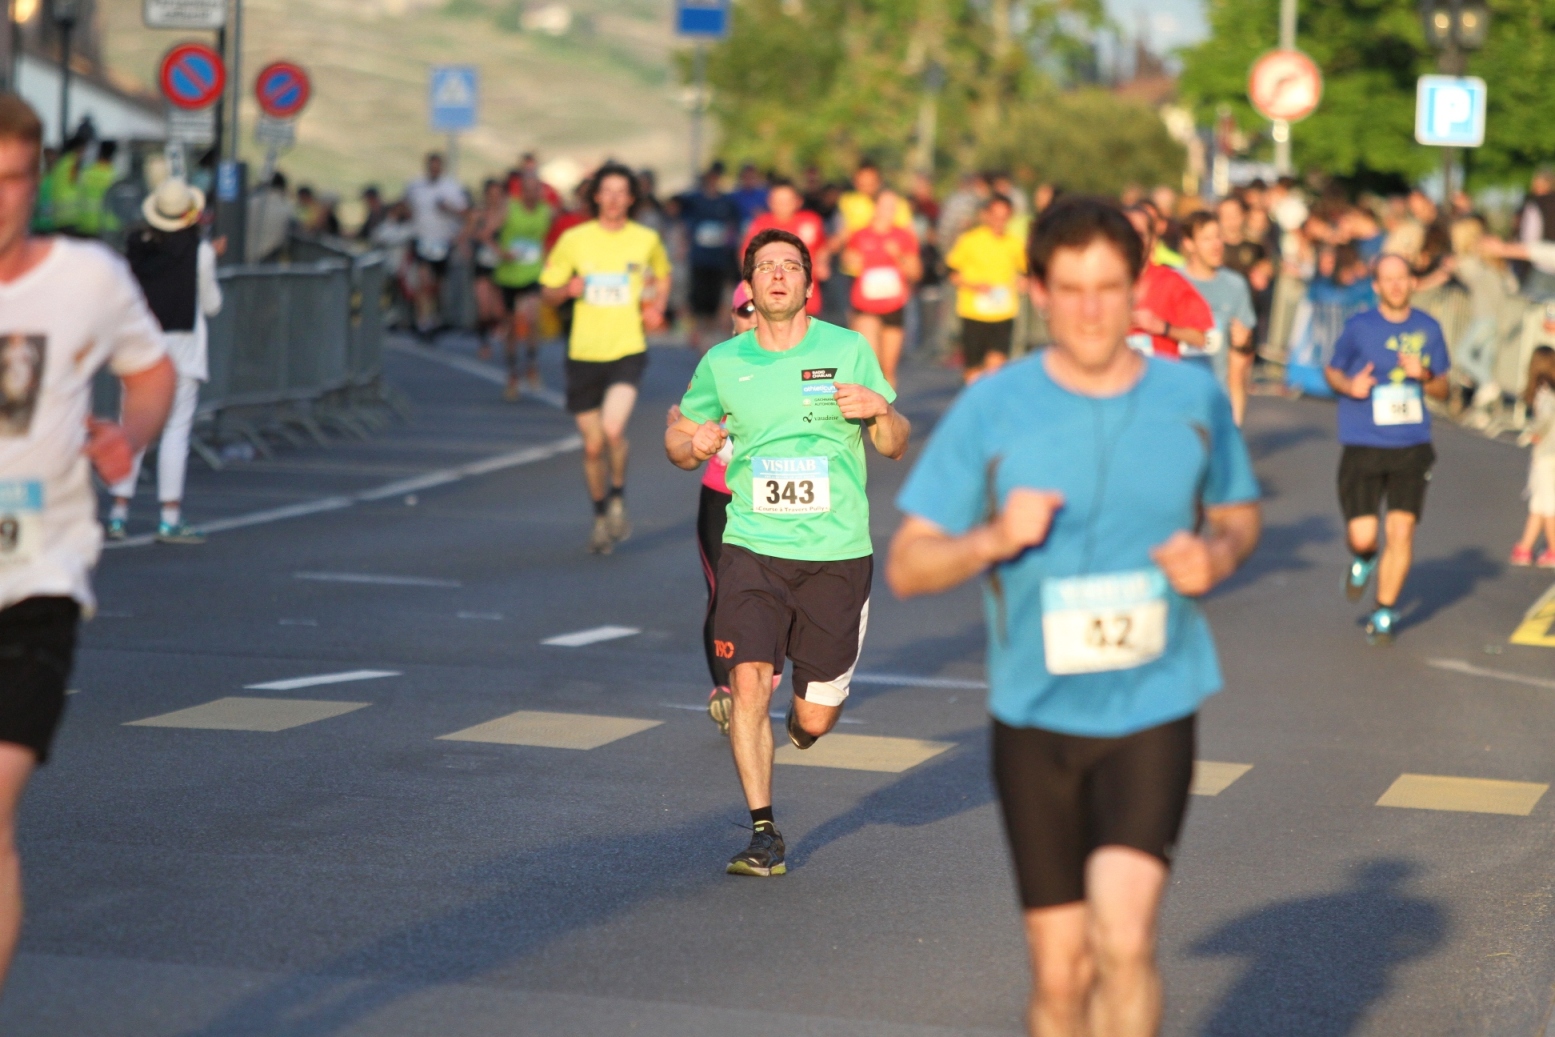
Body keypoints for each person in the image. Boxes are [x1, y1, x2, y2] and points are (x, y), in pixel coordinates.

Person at [886, 196, 1260, 1037]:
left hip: (1152, 704)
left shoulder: (1189, 398)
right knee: (1061, 972)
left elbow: (1238, 512)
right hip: (1036, 716)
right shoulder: (993, 406)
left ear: (1138, 287)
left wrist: (1218, 553)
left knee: (1125, 940)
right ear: (1038, 293)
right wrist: (992, 537)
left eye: (1108, 287)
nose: (1090, 310)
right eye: (1070, 289)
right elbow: (909, 563)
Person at [665, 228, 911, 878]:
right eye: (766, 266)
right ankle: (763, 831)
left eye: (790, 266)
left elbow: (894, 443)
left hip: (836, 553)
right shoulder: (723, 362)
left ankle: (804, 726)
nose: (777, 275)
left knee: (814, 717)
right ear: (749, 286)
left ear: (808, 282)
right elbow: (677, 437)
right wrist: (692, 444)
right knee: (748, 682)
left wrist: (879, 410)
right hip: (752, 545)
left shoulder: (847, 348)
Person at [0, 92, 177, 991]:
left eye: (12, 180)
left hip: (36, 573)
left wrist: (128, 436)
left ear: (36, 182)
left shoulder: (87, 279)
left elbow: (151, 373)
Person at [541, 162, 670, 555]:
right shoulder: (574, 239)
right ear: (596, 196)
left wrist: (656, 307)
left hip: (627, 348)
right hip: (583, 352)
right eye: (607, 191)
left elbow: (662, 273)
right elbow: (547, 290)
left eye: (621, 192)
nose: (614, 199)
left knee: (613, 430)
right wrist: (566, 290)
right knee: (593, 446)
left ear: (631, 198)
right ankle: (600, 516)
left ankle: (617, 496)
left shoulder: (645, 238)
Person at [1324, 254, 1450, 645]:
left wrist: (1423, 374)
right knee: (1364, 537)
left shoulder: (1429, 328)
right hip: (1364, 442)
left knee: (1401, 531)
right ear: (1376, 286)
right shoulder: (1360, 327)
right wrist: (1349, 386)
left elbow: (1444, 388)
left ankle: (1383, 611)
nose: (1395, 285)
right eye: (1387, 279)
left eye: (1402, 278)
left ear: (1413, 282)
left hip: (1411, 444)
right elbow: (1332, 369)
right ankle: (1364, 559)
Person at [105, 179, 224, 544]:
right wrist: (212, 260)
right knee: (175, 432)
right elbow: (212, 305)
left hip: (140, 349)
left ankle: (118, 513)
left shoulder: (136, 248)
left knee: (133, 430)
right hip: (183, 352)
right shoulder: (199, 253)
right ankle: (169, 517)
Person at [677, 284, 760, 737]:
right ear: (732, 317)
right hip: (721, 496)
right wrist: (687, 432)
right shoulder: (718, 363)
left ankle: (762, 678)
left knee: (778, 596)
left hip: (773, 502)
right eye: (744, 311)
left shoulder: (796, 363)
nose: (752, 317)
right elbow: (686, 425)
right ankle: (725, 690)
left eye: (758, 309)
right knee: (723, 592)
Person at [1180, 211, 1257, 424]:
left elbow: (1241, 360)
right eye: (1207, 239)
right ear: (1189, 244)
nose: (1216, 245)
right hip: (1177, 399)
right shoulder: (1173, 283)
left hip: (1217, 401)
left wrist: (1244, 342)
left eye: (1218, 237)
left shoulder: (1235, 285)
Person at [946, 193, 1027, 382]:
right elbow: (952, 274)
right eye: (996, 216)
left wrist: (1024, 283)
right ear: (987, 215)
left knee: (996, 368)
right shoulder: (970, 240)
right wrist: (974, 285)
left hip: (1003, 313)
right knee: (973, 370)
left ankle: (991, 399)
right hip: (974, 313)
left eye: (1004, 217)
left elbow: (1027, 272)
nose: (999, 221)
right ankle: (974, 397)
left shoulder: (1014, 243)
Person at [844, 190, 920, 387]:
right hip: (866, 305)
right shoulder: (860, 234)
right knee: (871, 363)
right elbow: (848, 262)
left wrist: (898, 256)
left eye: (893, 207)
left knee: (888, 369)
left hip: (894, 305)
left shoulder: (903, 236)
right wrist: (851, 261)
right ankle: (869, 404)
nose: (889, 211)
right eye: (885, 206)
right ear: (875, 207)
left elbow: (916, 273)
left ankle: (887, 405)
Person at [493, 168, 554, 398]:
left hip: (533, 273)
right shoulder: (509, 208)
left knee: (532, 318)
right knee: (510, 327)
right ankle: (512, 374)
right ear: (521, 191)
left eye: (536, 190)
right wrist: (502, 252)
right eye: (527, 190)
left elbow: (549, 239)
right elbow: (486, 234)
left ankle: (531, 364)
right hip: (509, 275)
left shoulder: (546, 212)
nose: (532, 194)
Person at [1122, 206, 1212, 361]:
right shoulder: (1099, 283)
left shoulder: (1172, 282)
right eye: (1126, 235)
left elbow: (1201, 339)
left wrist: (1163, 327)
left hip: (1160, 375)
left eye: (1140, 235)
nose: (1133, 241)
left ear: (1153, 240)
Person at [677, 163, 742, 353]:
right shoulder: (695, 200)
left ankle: (710, 335)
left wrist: (731, 242)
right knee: (697, 296)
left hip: (718, 258)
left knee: (715, 296)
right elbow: (681, 215)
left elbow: (734, 223)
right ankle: (697, 332)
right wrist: (684, 242)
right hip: (699, 257)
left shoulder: (726, 202)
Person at [741, 178, 827, 317]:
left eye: (787, 201)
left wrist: (823, 261)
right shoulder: (761, 224)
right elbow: (745, 256)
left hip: (806, 296)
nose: (782, 206)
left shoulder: (811, 221)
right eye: (778, 201)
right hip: (771, 296)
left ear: (798, 201)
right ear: (770, 202)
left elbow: (823, 246)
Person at [405, 152, 468, 337]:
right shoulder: (415, 186)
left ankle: (435, 316)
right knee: (423, 281)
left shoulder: (452, 188)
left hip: (442, 241)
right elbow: (407, 207)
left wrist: (449, 209)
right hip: (422, 239)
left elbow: (465, 212)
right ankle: (423, 320)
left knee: (437, 285)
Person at [1512, 347, 1555, 567]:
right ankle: (1525, 547)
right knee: (1538, 502)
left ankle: (1553, 549)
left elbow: (1545, 420)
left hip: (1547, 456)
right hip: (1548, 454)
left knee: (1548, 505)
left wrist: (1533, 433)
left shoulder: (1544, 392)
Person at [467, 178, 510, 362]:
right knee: (483, 307)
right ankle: (484, 344)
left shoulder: (506, 215)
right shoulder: (479, 215)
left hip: (501, 266)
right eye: (491, 194)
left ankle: (503, 333)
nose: (494, 198)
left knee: (498, 310)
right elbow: (470, 235)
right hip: (483, 264)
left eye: (497, 194)